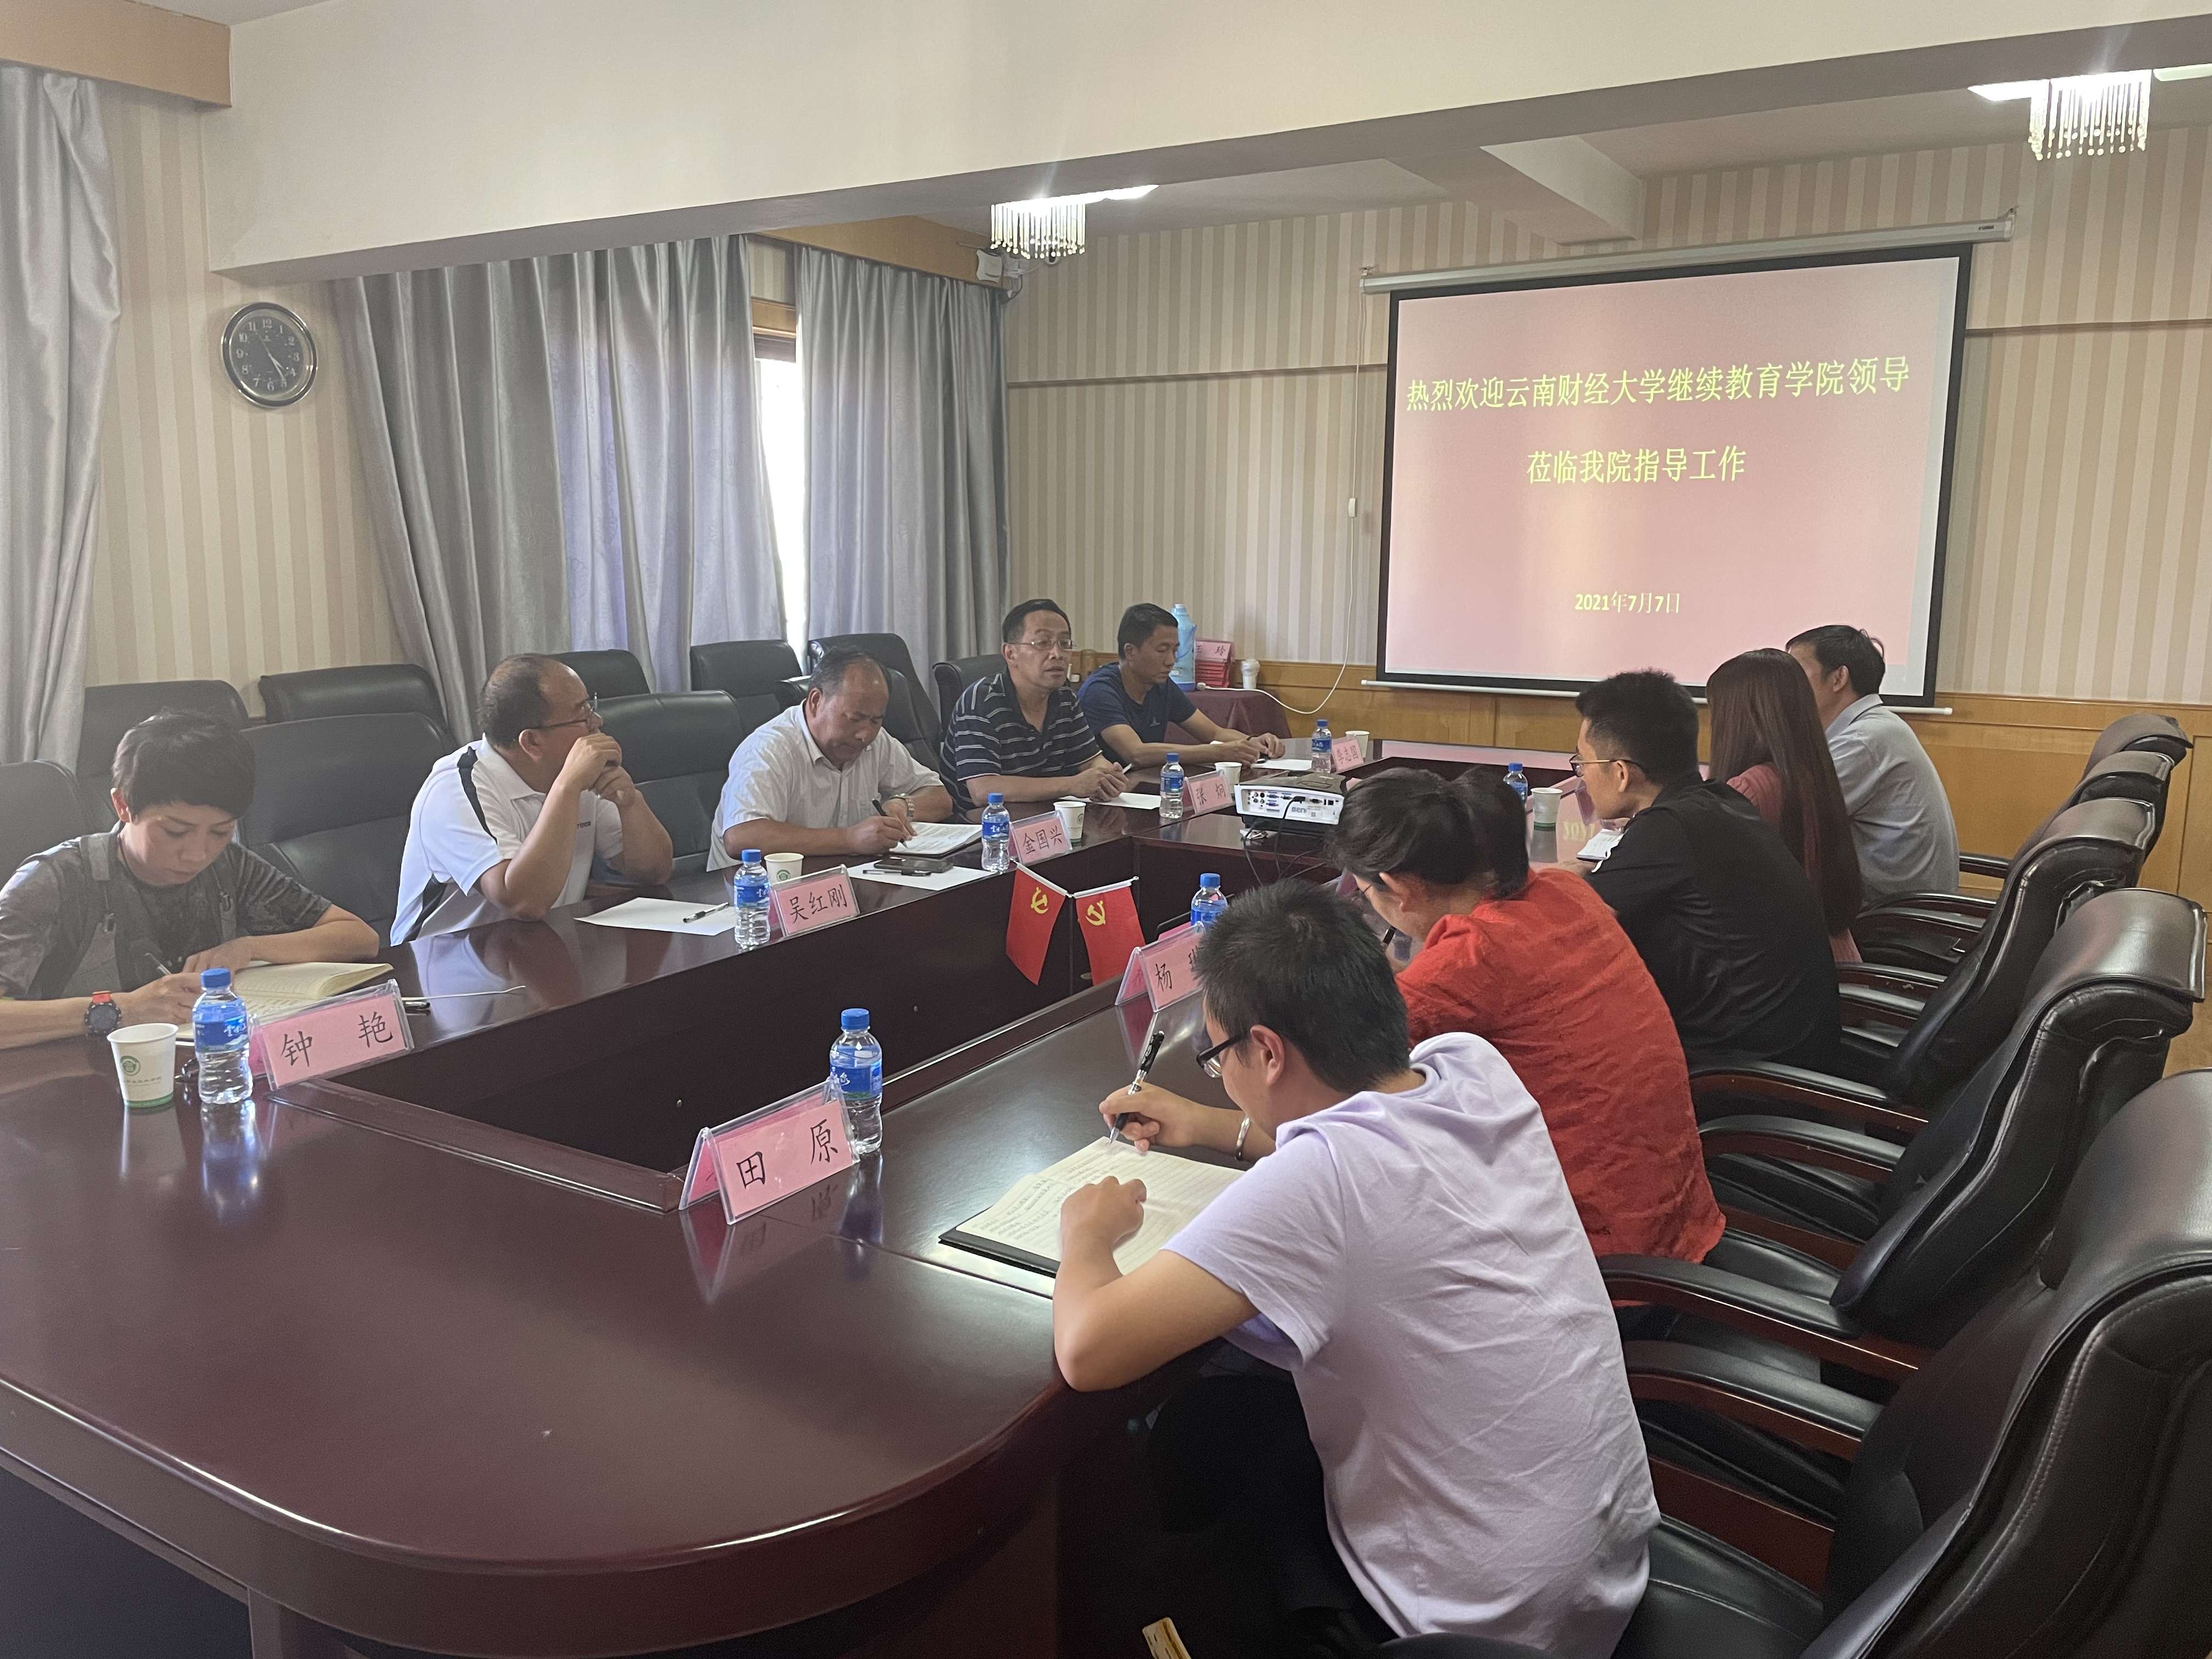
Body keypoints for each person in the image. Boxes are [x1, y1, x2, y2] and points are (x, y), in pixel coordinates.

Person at [1056, 881, 1655, 1659]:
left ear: (1268, 1051)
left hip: (1478, 1625)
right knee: (1247, 1415)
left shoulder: (1322, 1184)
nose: (1221, 1076)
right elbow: (1362, 1139)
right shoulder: (1470, 1067)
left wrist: (1088, 1235)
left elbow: (1089, 1350)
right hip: (1599, 1569)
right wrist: (1209, 1124)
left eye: (1218, 1056)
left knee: (1203, 1436)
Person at [1329, 768, 1723, 1266]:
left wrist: (1222, 1128)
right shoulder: (1561, 890)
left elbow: (1333, 1079)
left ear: (1397, 886)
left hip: (1597, 1256)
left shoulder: (1474, 955)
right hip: (1672, 1215)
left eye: (1364, 894)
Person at [0, 710, 380, 1051]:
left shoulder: (229, 866)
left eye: (220, 832)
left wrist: (248, 948)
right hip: (78, 1085)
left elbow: (359, 937)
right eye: (176, 832)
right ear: (123, 806)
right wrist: (123, 1009)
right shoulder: (56, 879)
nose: (199, 854)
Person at [1575, 669, 1840, 1070]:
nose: (1582, 774)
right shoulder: (1718, 801)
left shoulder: (1669, 828)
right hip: (1792, 1047)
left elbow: (1575, 921)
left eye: (1584, 762)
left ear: (1622, 773)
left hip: (1745, 1072)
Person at [391, 654, 674, 943]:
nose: (597, 722)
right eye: (583, 716)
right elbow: (522, 901)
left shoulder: (576, 774)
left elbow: (653, 872)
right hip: (444, 959)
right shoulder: (454, 789)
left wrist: (630, 803)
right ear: (532, 742)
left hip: (541, 946)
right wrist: (566, 787)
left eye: (592, 707)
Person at [709, 648, 954, 866]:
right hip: (749, 891)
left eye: (876, 720)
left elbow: (940, 796)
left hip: (840, 881)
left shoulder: (877, 741)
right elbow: (741, 837)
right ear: (816, 701)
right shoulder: (769, 749)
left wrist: (904, 805)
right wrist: (849, 839)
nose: (865, 735)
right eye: (855, 718)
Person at [1709, 648, 1865, 961]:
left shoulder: (1748, 790)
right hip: (1832, 954)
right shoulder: (1809, 773)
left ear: (1738, 717)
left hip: (1785, 967)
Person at [1786, 624, 1959, 906]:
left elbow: (1792, 817)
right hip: (1891, 901)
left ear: (1839, 678)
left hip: (1891, 915)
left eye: (1796, 673)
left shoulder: (1864, 740)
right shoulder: (1872, 727)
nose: (1785, 686)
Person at [939, 599, 1130, 810]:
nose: (1057, 654)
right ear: (1011, 654)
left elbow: (1090, 760)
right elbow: (983, 789)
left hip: (1044, 818)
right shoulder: (980, 702)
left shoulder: (1065, 697)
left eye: (1065, 644)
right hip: (982, 824)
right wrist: (1073, 785)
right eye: (1043, 643)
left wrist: (1106, 776)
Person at [1077, 602, 1285, 769]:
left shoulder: (1162, 686)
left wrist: (1253, 742)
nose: (1171, 661)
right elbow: (1136, 753)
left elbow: (1214, 734)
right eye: (1162, 650)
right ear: (1130, 652)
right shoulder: (1100, 690)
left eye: (1175, 650)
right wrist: (1218, 752)